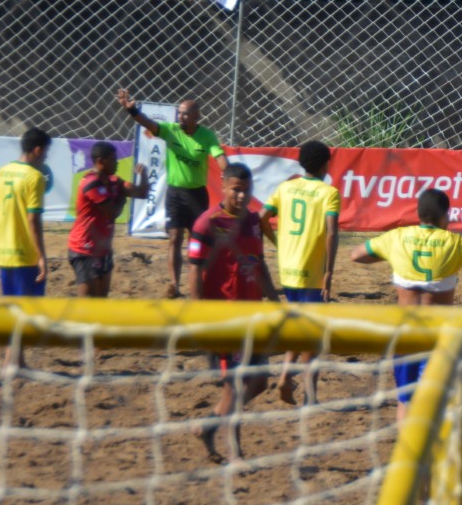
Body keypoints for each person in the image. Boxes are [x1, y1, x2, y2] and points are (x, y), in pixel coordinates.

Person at [350, 188, 462, 424]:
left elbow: (357, 255)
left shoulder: (397, 237)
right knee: (437, 404)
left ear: (418, 213)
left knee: (406, 402)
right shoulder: (454, 243)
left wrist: (389, 255)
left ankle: (408, 454)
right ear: (445, 215)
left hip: (405, 335)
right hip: (437, 337)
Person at [188, 163, 280, 463]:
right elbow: (194, 277)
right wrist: (203, 319)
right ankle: (237, 455)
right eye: (236, 190)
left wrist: (275, 301)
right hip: (225, 321)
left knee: (260, 382)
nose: (242, 196)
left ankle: (208, 426)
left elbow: (260, 263)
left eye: (246, 190)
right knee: (234, 388)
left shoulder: (254, 221)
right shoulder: (207, 224)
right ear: (223, 186)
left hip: (253, 316)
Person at [116, 89, 229, 298]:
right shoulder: (171, 130)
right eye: (179, 113)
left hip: (197, 196)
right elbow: (148, 123)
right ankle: (174, 285)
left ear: (197, 116)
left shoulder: (207, 136)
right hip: (175, 194)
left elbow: (219, 156)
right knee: (174, 238)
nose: (180, 116)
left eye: (185, 113)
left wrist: (227, 172)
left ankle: (201, 280)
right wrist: (132, 110)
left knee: (197, 240)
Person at [261, 140, 340, 405]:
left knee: (298, 325)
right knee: (312, 334)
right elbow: (331, 232)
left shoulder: (286, 188)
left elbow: (261, 217)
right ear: (325, 164)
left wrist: (278, 243)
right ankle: (309, 393)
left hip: (288, 268)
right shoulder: (329, 193)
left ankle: (285, 377)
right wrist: (329, 271)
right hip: (312, 270)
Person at [0, 127, 52, 369]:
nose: (46, 157)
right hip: (25, 253)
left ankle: (15, 360)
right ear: (37, 150)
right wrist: (42, 257)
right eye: (45, 153)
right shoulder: (34, 177)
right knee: (26, 311)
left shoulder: (1, 173)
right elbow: (33, 220)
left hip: (3, 252)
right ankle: (12, 362)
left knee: (12, 309)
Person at [68, 142, 149, 297]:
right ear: (100, 161)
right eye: (113, 159)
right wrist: (123, 198)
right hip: (84, 249)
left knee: (101, 301)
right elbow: (112, 213)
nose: (117, 163)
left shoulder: (114, 181)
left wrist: (143, 175)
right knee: (87, 305)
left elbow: (142, 193)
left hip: (103, 249)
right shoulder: (90, 183)